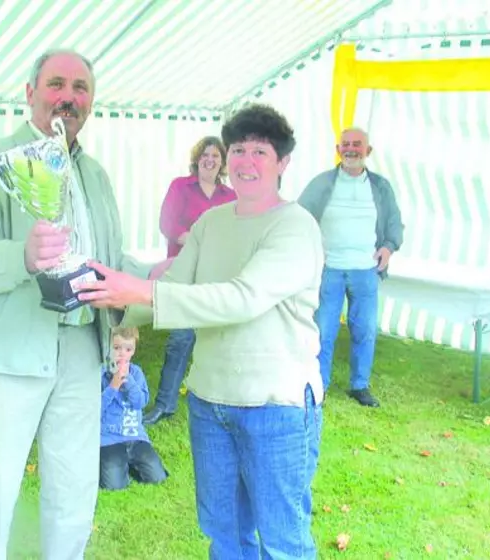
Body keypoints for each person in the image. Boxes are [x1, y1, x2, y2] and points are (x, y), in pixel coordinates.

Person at [78, 104, 325, 559]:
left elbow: (241, 299)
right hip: (211, 401)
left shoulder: (295, 226)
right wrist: (108, 303)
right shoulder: (211, 223)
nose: (245, 162)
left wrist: (141, 291)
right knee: (224, 535)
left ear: (283, 163)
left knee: (283, 542)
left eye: (260, 152)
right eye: (238, 150)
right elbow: (171, 288)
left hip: (277, 407)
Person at [0, 50, 153, 559]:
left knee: (75, 486)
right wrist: (22, 257)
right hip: (11, 350)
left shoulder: (95, 175)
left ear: (91, 102)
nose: (69, 97)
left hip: (81, 348)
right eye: (57, 84)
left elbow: (109, 256)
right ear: (29, 93)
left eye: (80, 88)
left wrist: (155, 280)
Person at [297, 127, 404, 408]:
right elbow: (298, 218)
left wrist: (389, 247)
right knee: (323, 330)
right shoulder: (322, 183)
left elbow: (394, 222)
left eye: (357, 144)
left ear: (368, 151)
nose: (351, 149)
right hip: (329, 268)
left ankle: (359, 385)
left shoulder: (381, 187)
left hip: (366, 270)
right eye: (346, 144)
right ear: (338, 149)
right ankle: (318, 383)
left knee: (365, 329)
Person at [144, 136, 236, 425]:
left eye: (216, 156)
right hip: (184, 270)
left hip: (217, 274)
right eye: (205, 154)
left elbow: (236, 230)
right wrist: (197, 245)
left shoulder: (230, 195)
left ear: (222, 162)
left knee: (220, 340)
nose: (210, 159)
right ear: (197, 158)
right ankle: (165, 403)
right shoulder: (180, 186)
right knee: (181, 339)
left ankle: (221, 402)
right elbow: (168, 223)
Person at [99, 327, 168, 490]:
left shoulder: (136, 374)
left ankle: (128, 464)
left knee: (157, 478)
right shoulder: (101, 374)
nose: (122, 354)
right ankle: (112, 464)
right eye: (116, 348)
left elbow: (140, 402)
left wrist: (128, 381)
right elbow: (96, 409)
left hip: (135, 437)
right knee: (114, 486)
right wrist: (113, 386)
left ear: (133, 351)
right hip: (110, 439)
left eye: (128, 349)